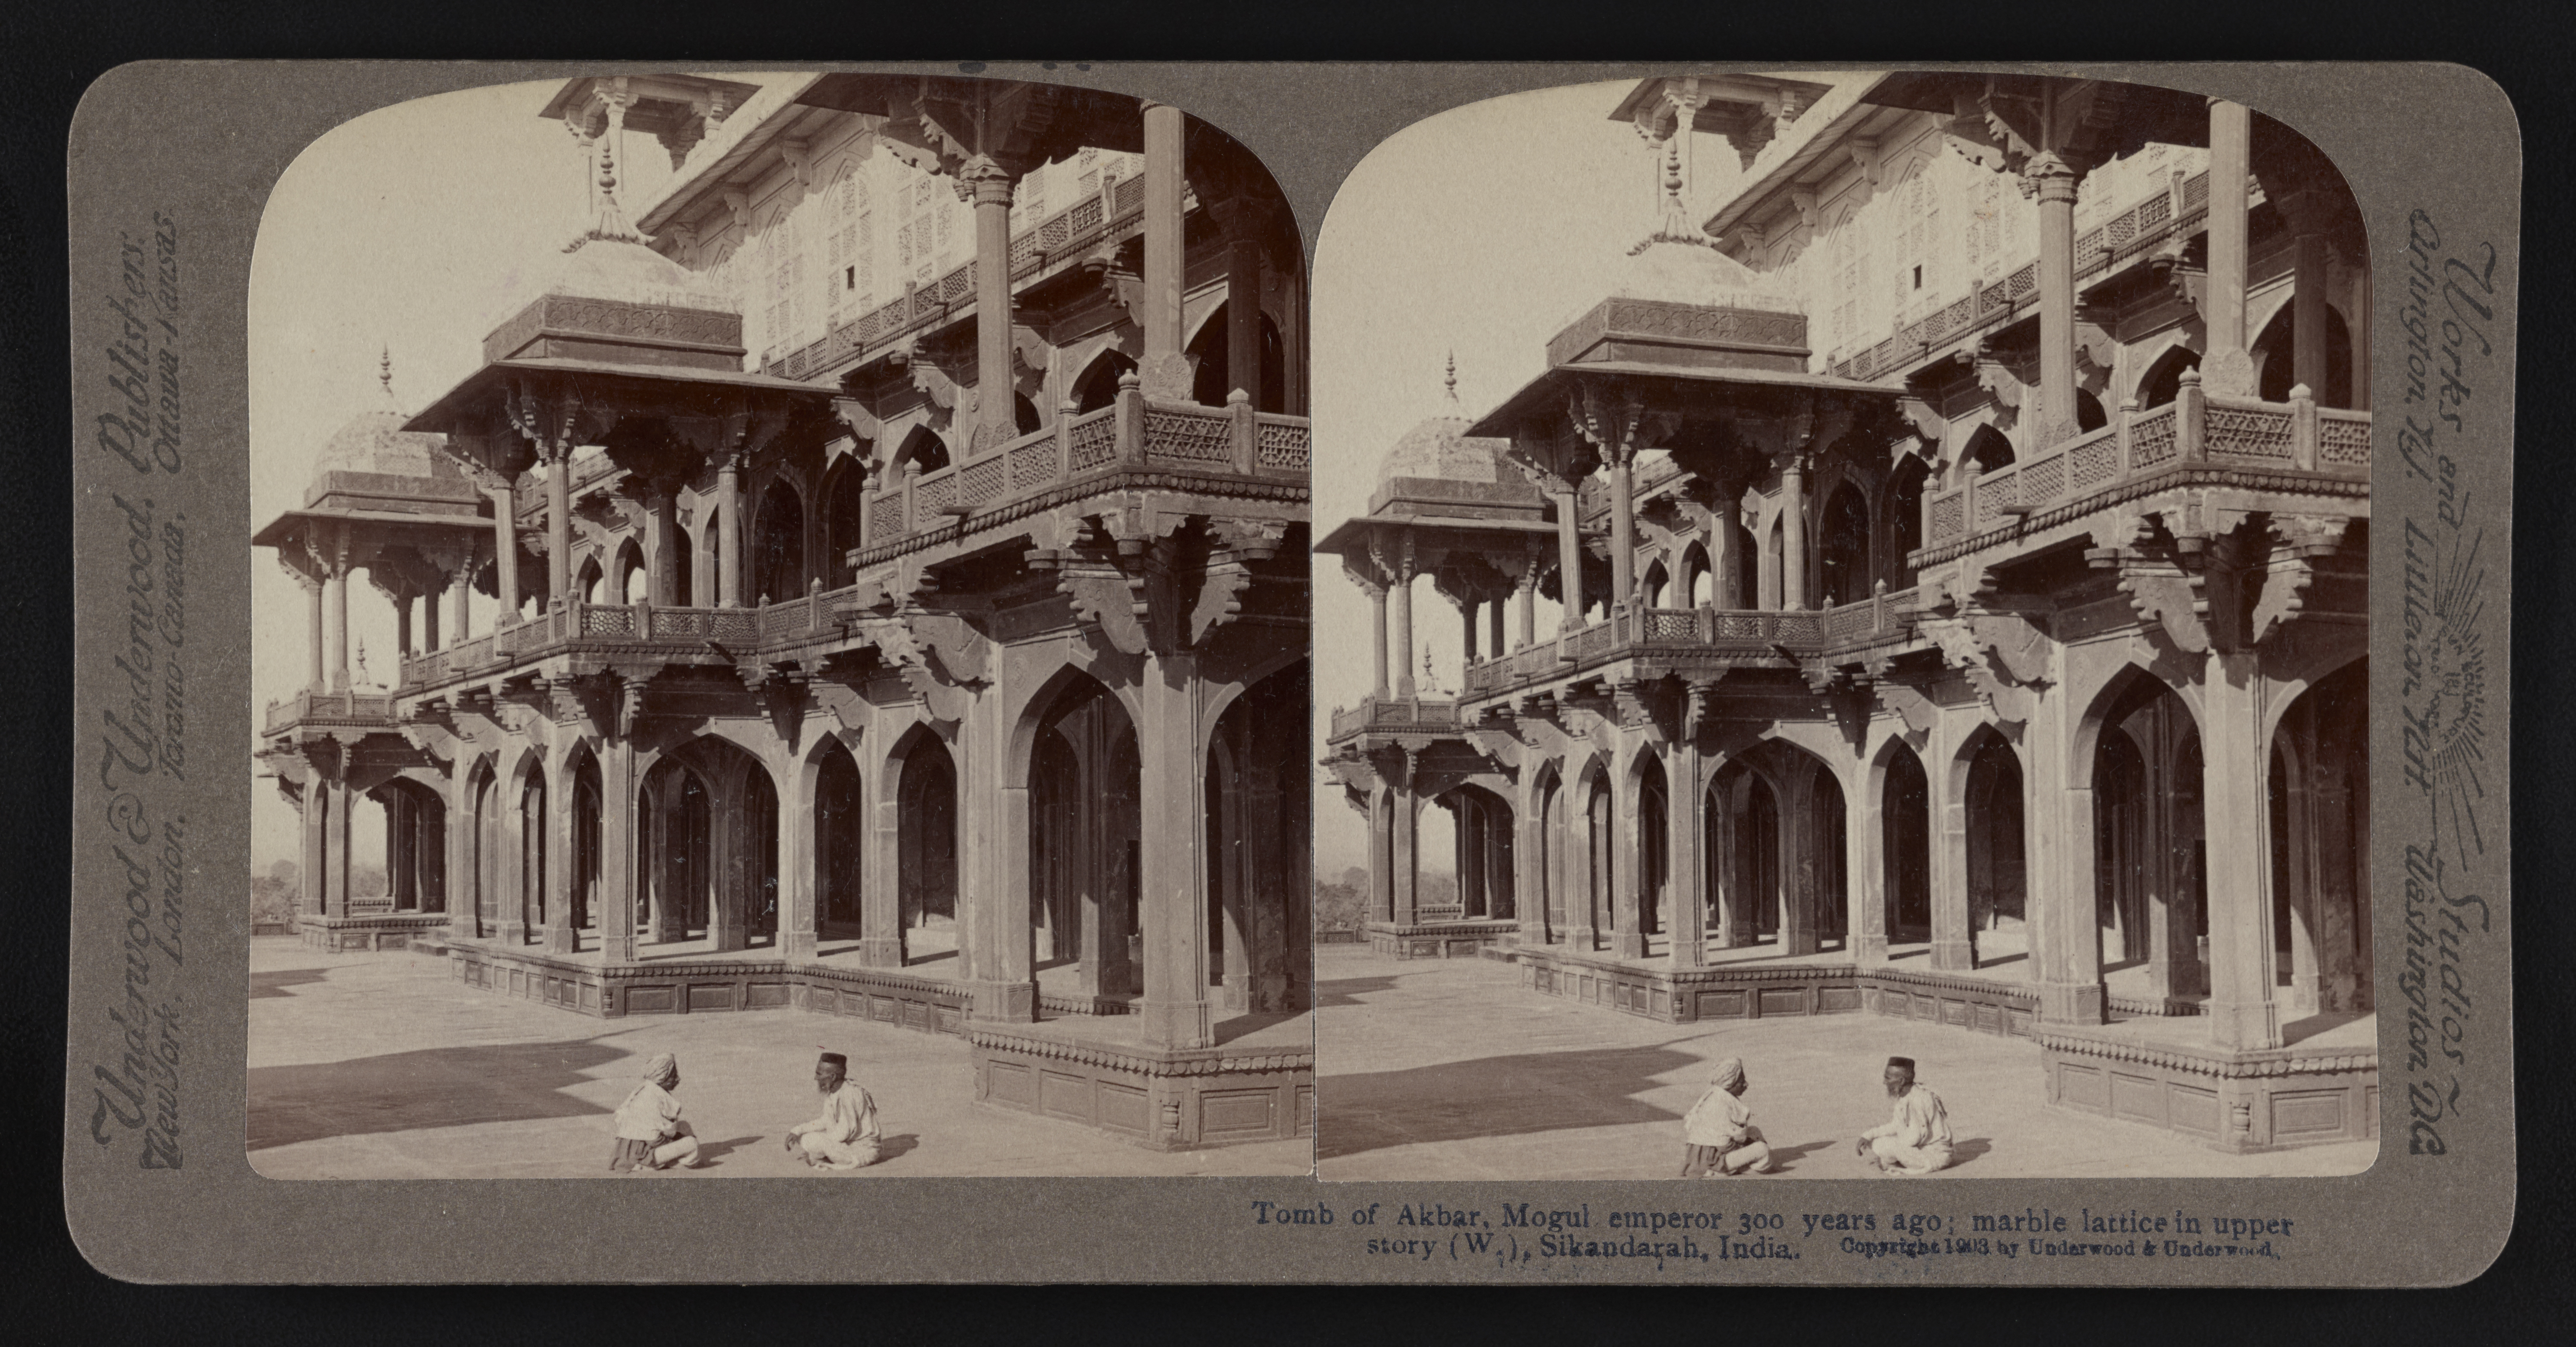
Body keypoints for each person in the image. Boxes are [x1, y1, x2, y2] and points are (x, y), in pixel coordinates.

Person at [1855, 1055, 1953, 1176]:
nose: (1884, 1082)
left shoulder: (1918, 1099)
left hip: (1935, 1156)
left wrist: (1893, 1148)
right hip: (1921, 1148)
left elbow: (1914, 1138)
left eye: (1888, 1078)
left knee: (1885, 1145)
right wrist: (1868, 1135)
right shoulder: (1905, 1095)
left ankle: (1893, 1163)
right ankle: (1894, 1161)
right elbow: (1896, 1126)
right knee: (1875, 1141)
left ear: (1901, 1081)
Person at [785, 1049, 882, 1171]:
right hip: (847, 1145)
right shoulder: (834, 1093)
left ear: (833, 1077)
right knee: (804, 1138)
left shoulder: (850, 1094)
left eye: (819, 1074)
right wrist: (797, 1131)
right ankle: (825, 1155)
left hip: (864, 1151)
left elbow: (844, 1132)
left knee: (816, 1140)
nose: (816, 1078)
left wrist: (821, 1147)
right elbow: (826, 1121)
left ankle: (824, 1158)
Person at [1679, 1056, 1774, 1177]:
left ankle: (1738, 1167)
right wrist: (1743, 1149)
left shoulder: (1716, 1094)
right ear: (1730, 1082)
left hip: (1707, 1154)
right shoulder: (1721, 1104)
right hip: (1712, 1160)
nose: (1746, 1084)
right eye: (1741, 1081)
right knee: (1762, 1150)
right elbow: (1724, 1145)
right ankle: (1724, 1170)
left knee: (1754, 1131)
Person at [608, 1053, 702, 1173]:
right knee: (692, 1145)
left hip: (633, 1149)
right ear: (662, 1078)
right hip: (640, 1154)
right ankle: (652, 1164)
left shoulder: (647, 1089)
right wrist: (675, 1142)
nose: (678, 1079)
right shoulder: (653, 1098)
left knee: (684, 1126)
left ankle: (666, 1161)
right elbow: (654, 1139)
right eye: (673, 1076)